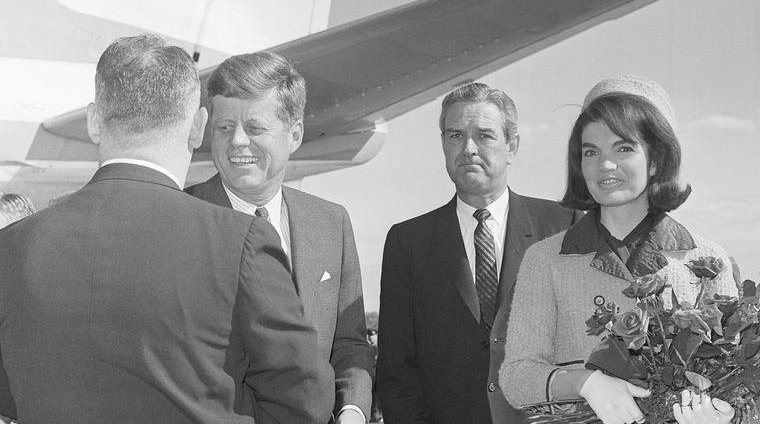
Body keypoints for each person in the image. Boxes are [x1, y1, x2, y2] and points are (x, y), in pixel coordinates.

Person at [0, 34, 334, 423]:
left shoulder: (14, 245)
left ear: (94, 122)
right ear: (198, 127)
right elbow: (305, 397)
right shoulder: (240, 240)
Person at [499, 75, 738, 424]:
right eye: (591, 152)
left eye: (623, 148)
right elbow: (516, 377)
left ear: (655, 160)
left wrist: (721, 413)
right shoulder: (545, 259)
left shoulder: (706, 260)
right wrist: (585, 382)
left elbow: (733, 373)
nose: (605, 165)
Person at [185, 51, 374, 424]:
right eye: (224, 128)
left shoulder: (331, 223)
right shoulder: (180, 217)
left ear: (295, 135)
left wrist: (352, 411)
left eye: (254, 128)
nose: (237, 141)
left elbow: (350, 345)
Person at [375, 82, 580, 423]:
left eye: (484, 135)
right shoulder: (407, 241)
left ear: (511, 146)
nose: (468, 148)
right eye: (455, 136)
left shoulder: (563, 225)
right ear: (442, 144)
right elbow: (396, 370)